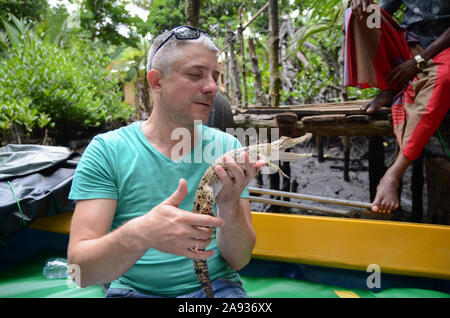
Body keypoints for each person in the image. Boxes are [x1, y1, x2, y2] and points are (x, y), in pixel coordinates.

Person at [67, 26, 265, 298]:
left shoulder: (226, 147)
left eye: (214, 76)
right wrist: (141, 233)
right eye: (196, 75)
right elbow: (80, 271)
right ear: (156, 81)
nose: (212, 87)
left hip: (216, 288)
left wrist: (229, 207)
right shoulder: (108, 151)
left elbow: (240, 260)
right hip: (135, 291)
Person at [350, 0, 450, 213]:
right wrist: (362, 5)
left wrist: (419, 62)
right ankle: (390, 86)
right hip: (410, 45)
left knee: (445, 81)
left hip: (443, 47)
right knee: (359, 14)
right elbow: (383, 11)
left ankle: (393, 173)